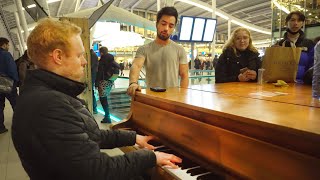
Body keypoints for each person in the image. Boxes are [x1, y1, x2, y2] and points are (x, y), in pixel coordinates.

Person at [12, 18, 181, 180]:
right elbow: (97, 171)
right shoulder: (50, 105)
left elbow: (89, 135)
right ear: (58, 56)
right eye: (79, 55)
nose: (85, 61)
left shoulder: (43, 93)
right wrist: (150, 157)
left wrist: (134, 138)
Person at [127, 6, 189, 96]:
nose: (166, 28)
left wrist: (183, 96)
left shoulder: (180, 50)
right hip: (152, 98)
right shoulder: (144, 49)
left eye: (171, 26)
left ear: (173, 28)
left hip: (173, 98)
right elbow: (136, 66)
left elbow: (184, 75)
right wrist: (133, 83)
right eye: (163, 24)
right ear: (157, 24)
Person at [274, 11, 315, 83]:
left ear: (302, 23)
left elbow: (313, 66)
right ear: (286, 23)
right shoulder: (279, 44)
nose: (296, 23)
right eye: (292, 20)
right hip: (282, 83)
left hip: (303, 85)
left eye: (299, 21)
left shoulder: (309, 44)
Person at [95, 46, 119, 123]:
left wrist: (96, 83)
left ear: (101, 52)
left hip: (103, 81)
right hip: (110, 81)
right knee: (104, 98)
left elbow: (99, 73)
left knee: (103, 99)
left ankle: (107, 116)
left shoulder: (103, 60)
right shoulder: (111, 59)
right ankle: (107, 116)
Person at [0, 37, 19, 134]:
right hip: (7, 82)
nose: (8, 47)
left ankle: (0, 127)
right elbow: (12, 69)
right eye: (7, 45)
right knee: (16, 104)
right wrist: (16, 81)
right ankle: (21, 124)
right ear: (3, 45)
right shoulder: (6, 55)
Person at [90, 49, 99, 114]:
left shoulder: (92, 55)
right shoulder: (94, 55)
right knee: (91, 91)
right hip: (93, 75)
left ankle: (94, 107)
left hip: (92, 75)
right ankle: (94, 107)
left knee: (91, 91)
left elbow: (91, 66)